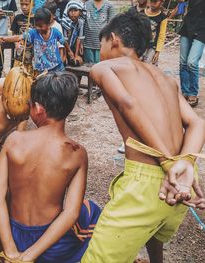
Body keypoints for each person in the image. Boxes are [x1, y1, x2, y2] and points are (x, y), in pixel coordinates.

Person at [81, 9, 205, 263]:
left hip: (149, 183)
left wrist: (168, 161)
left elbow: (128, 103)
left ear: (113, 39)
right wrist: (185, 163)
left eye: (103, 44)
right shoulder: (166, 79)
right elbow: (196, 122)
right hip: (180, 183)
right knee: (154, 230)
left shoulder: (104, 67)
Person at [0, 72, 101, 262]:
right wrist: (30, 256)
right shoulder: (77, 153)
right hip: (51, 245)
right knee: (93, 213)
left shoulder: (14, 141)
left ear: (38, 109)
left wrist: (10, 249)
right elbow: (71, 213)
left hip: (15, 236)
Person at [0, 7, 65, 73]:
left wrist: (69, 52)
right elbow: (19, 37)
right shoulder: (33, 33)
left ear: (48, 24)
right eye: (36, 25)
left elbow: (64, 42)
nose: (37, 28)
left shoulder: (55, 32)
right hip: (41, 69)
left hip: (57, 67)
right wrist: (5, 38)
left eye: (40, 26)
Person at [178, 0, 205, 107]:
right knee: (183, 62)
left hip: (202, 28)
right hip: (188, 26)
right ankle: (185, 92)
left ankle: (193, 93)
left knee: (192, 63)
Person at [10, 0, 35, 72]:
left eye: (26, 4)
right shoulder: (18, 18)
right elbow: (14, 33)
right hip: (20, 51)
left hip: (32, 52)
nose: (24, 7)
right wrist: (16, 43)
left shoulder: (36, 18)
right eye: (22, 4)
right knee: (19, 71)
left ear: (32, 4)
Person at [142, 0, 168, 65]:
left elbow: (161, 35)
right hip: (140, 45)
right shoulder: (141, 13)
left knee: (149, 65)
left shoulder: (163, 18)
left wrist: (158, 51)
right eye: (151, 1)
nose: (152, 4)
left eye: (155, 2)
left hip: (152, 47)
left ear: (162, 2)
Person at [61, 0, 85, 66]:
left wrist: (76, 55)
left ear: (80, 12)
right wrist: (68, 53)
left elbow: (79, 39)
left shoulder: (81, 22)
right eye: (71, 11)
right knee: (64, 62)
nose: (73, 13)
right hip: (64, 48)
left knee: (77, 62)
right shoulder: (64, 22)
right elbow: (64, 40)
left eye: (75, 10)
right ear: (68, 12)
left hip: (74, 48)